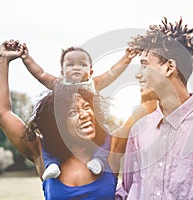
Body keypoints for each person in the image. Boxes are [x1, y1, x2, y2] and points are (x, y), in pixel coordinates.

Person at [116, 17, 193, 199]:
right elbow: (127, 193)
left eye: (144, 65)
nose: (137, 75)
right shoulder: (138, 131)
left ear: (169, 67)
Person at [0, 40, 118, 199]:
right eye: (73, 112)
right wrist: (3, 59)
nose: (85, 114)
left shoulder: (111, 147)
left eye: (87, 108)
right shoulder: (41, 150)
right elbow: (2, 112)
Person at [16, 41, 138, 179]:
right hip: (67, 131)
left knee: (105, 140)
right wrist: (26, 58)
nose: (76, 68)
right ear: (62, 72)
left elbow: (112, 72)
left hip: (92, 128)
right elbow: (41, 73)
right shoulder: (58, 83)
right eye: (70, 64)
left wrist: (127, 58)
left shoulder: (94, 83)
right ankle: (52, 165)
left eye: (82, 65)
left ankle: (98, 161)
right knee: (47, 143)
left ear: (91, 71)